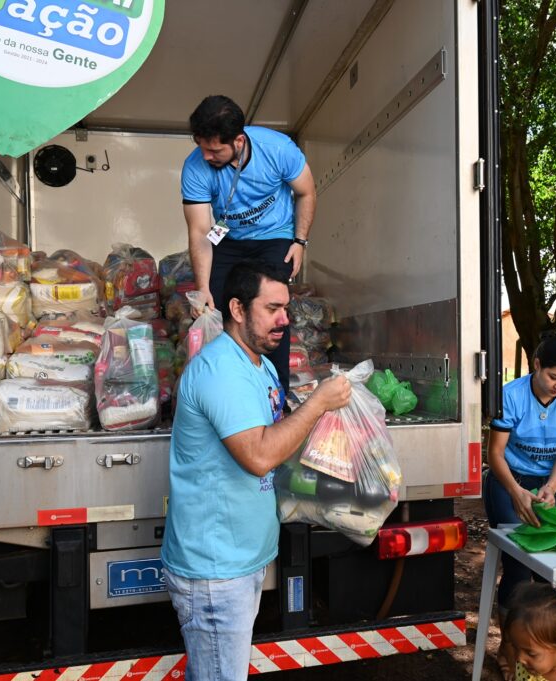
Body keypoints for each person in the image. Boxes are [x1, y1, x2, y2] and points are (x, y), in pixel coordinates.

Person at [160, 260, 350, 681]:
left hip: (241, 560)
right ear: (238, 309)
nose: (284, 319)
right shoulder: (221, 370)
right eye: (272, 308)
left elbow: (279, 436)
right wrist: (318, 403)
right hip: (216, 571)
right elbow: (260, 455)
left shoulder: (258, 366)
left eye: (286, 308)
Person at [181, 95, 316, 393]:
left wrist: (300, 241)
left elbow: (306, 192)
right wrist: (203, 288)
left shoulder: (278, 149)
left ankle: (275, 391)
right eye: (201, 147)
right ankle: (228, 389)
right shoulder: (195, 167)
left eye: (214, 150)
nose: (206, 156)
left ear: (239, 141)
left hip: (275, 236)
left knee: (270, 310)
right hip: (228, 239)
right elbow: (201, 230)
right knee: (219, 309)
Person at [483, 333, 556, 679]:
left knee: (549, 564)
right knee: (516, 566)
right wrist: (514, 491)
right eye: (554, 377)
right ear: (536, 364)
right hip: (507, 480)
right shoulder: (510, 395)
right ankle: (509, 647)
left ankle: (542, 651)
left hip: (546, 485)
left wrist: (552, 487)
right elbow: (494, 454)